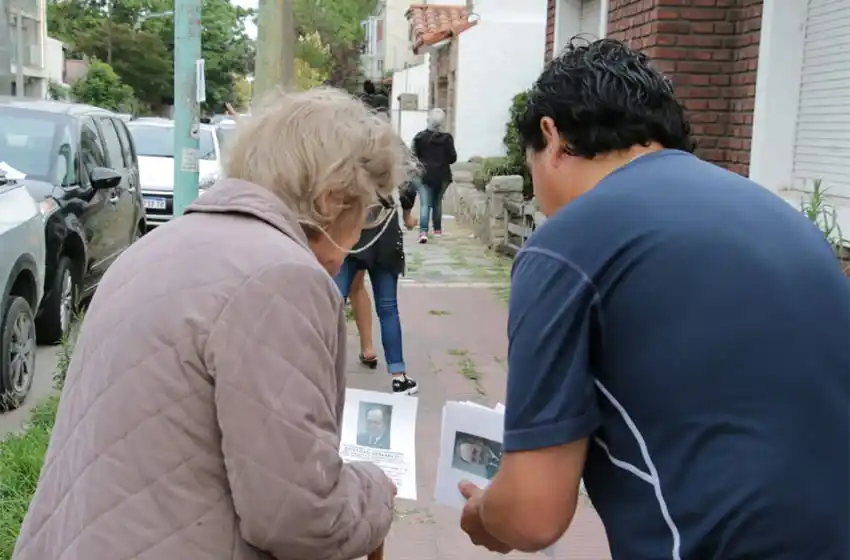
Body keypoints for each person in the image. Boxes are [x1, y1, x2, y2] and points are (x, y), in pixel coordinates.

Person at [458, 37, 849, 559]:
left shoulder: (568, 245)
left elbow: (532, 516)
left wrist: (486, 513)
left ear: (552, 137)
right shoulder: (781, 218)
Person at [13, 88, 408, 560]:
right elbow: (299, 516)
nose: (360, 235)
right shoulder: (282, 277)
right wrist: (374, 492)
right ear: (331, 201)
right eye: (366, 213)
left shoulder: (155, 247)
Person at [335, 178, 419, 395]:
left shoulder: (343, 155)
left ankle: (319, 373)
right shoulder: (388, 154)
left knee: (333, 305)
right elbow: (408, 184)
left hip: (350, 228)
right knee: (388, 308)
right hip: (385, 234)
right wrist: (407, 215)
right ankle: (398, 376)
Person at [412, 108, 457, 243]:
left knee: (425, 204)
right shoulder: (447, 139)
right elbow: (453, 158)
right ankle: (437, 230)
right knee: (437, 202)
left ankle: (423, 232)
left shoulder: (419, 137)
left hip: (424, 175)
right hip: (442, 176)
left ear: (428, 120)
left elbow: (413, 156)